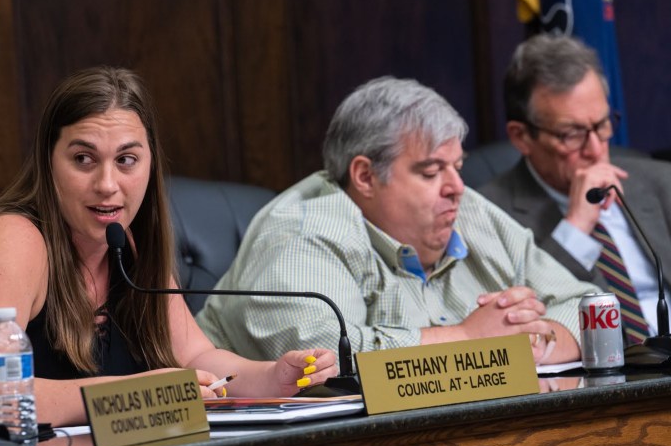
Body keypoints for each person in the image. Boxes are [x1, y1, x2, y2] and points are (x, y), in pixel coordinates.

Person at [0, 66, 335, 428]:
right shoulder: (11, 240)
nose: (108, 185)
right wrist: (138, 395)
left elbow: (196, 356)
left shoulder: (125, 244)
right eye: (83, 159)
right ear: (48, 161)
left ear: (150, 163)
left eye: (126, 160)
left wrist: (273, 377)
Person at [196, 77, 598, 365]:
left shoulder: (470, 211)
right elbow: (322, 362)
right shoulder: (301, 231)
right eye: (430, 172)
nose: (456, 187)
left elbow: (590, 307)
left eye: (457, 166)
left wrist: (538, 341)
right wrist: (467, 338)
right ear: (366, 177)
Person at [478, 34, 671, 344]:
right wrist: (576, 227)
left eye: (602, 125)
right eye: (571, 134)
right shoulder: (488, 216)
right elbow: (526, 323)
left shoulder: (663, 183)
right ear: (521, 137)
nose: (596, 149)